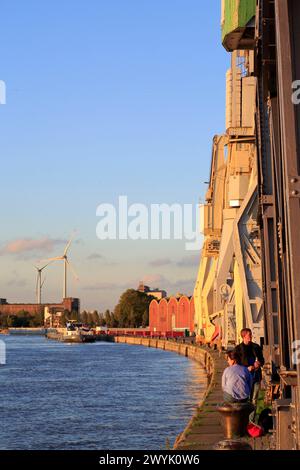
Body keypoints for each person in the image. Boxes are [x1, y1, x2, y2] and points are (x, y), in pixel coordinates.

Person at [234, 328, 264, 409]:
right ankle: (246, 418)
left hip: (256, 376)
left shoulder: (256, 347)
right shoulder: (238, 349)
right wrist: (247, 368)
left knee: (254, 399)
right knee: (246, 399)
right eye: (249, 335)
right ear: (244, 336)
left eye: (251, 335)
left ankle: (252, 419)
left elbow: (262, 360)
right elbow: (236, 365)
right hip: (244, 378)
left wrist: (259, 363)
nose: (251, 336)